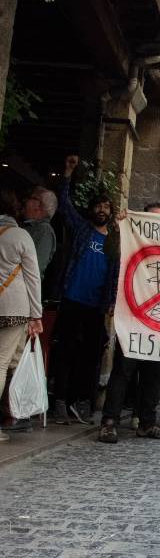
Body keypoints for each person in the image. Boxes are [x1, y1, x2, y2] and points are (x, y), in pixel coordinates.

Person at [98, 202, 160, 443]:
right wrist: (119, 228)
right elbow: (110, 252)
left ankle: (147, 423)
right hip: (133, 317)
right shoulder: (130, 241)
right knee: (123, 370)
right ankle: (109, 422)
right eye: (152, 219)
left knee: (155, 373)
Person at [53, 155, 119, 425]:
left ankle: (80, 399)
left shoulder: (115, 241)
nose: (102, 210)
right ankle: (60, 400)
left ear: (111, 212)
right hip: (71, 299)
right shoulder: (82, 229)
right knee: (65, 350)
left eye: (107, 206)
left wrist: (112, 302)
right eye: (99, 206)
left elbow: (117, 276)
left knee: (91, 354)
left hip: (96, 306)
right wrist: (67, 173)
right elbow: (65, 206)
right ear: (92, 209)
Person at [0, 189, 43, 443]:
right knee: (3, 361)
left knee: (12, 359)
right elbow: (32, 277)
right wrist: (36, 314)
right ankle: (13, 413)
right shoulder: (20, 235)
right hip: (13, 309)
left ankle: (14, 413)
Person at [20, 186, 58, 276]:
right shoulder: (30, 226)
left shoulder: (44, 231)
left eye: (31, 198)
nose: (25, 201)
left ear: (38, 206)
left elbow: (34, 270)